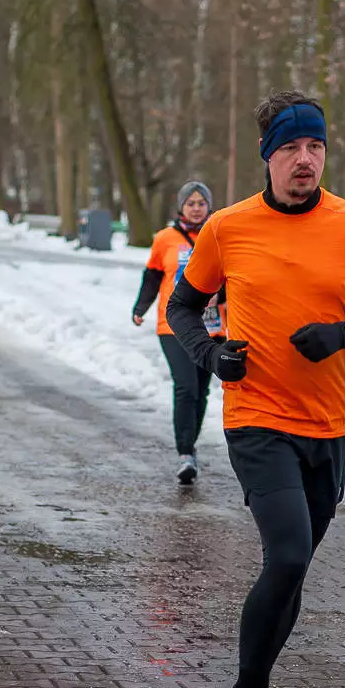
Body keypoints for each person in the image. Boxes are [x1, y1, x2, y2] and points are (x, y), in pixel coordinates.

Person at [166, 90, 345, 688]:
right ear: (267, 157)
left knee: (295, 566)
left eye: (315, 147)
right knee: (286, 551)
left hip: (330, 426)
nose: (305, 160)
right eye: (290, 148)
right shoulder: (227, 227)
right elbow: (185, 309)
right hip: (257, 418)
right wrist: (211, 354)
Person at [132, 181, 226, 485]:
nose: (196, 208)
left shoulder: (221, 235)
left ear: (209, 206)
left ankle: (191, 446)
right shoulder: (165, 239)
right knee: (185, 386)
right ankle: (185, 453)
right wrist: (140, 307)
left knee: (201, 391)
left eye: (201, 203)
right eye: (191, 203)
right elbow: (153, 276)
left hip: (213, 327)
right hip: (172, 325)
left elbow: (235, 277)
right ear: (181, 206)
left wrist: (219, 296)